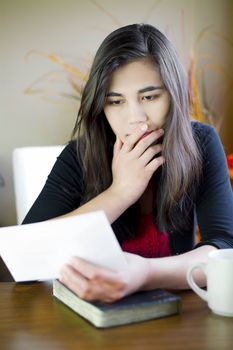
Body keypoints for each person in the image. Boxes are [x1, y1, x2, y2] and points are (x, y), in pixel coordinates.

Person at [23, 23, 233, 302]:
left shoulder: (201, 143)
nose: (135, 118)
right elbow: (25, 260)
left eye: (149, 97)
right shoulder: (78, 156)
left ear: (174, 96)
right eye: (116, 101)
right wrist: (120, 193)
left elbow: (224, 248)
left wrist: (145, 273)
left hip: (177, 314)